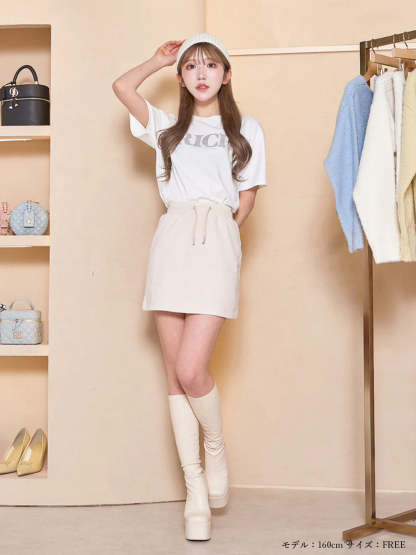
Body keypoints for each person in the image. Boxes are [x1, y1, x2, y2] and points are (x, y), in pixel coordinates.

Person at [112, 32, 267, 541]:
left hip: (216, 238)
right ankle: (194, 490)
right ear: (181, 78)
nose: (201, 73)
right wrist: (158, 60)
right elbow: (122, 87)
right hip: (172, 239)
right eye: (191, 66)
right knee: (174, 378)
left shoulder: (247, 129)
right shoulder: (166, 128)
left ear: (226, 74)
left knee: (191, 368)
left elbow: (247, 199)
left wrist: (223, 238)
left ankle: (215, 448)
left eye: (211, 65)